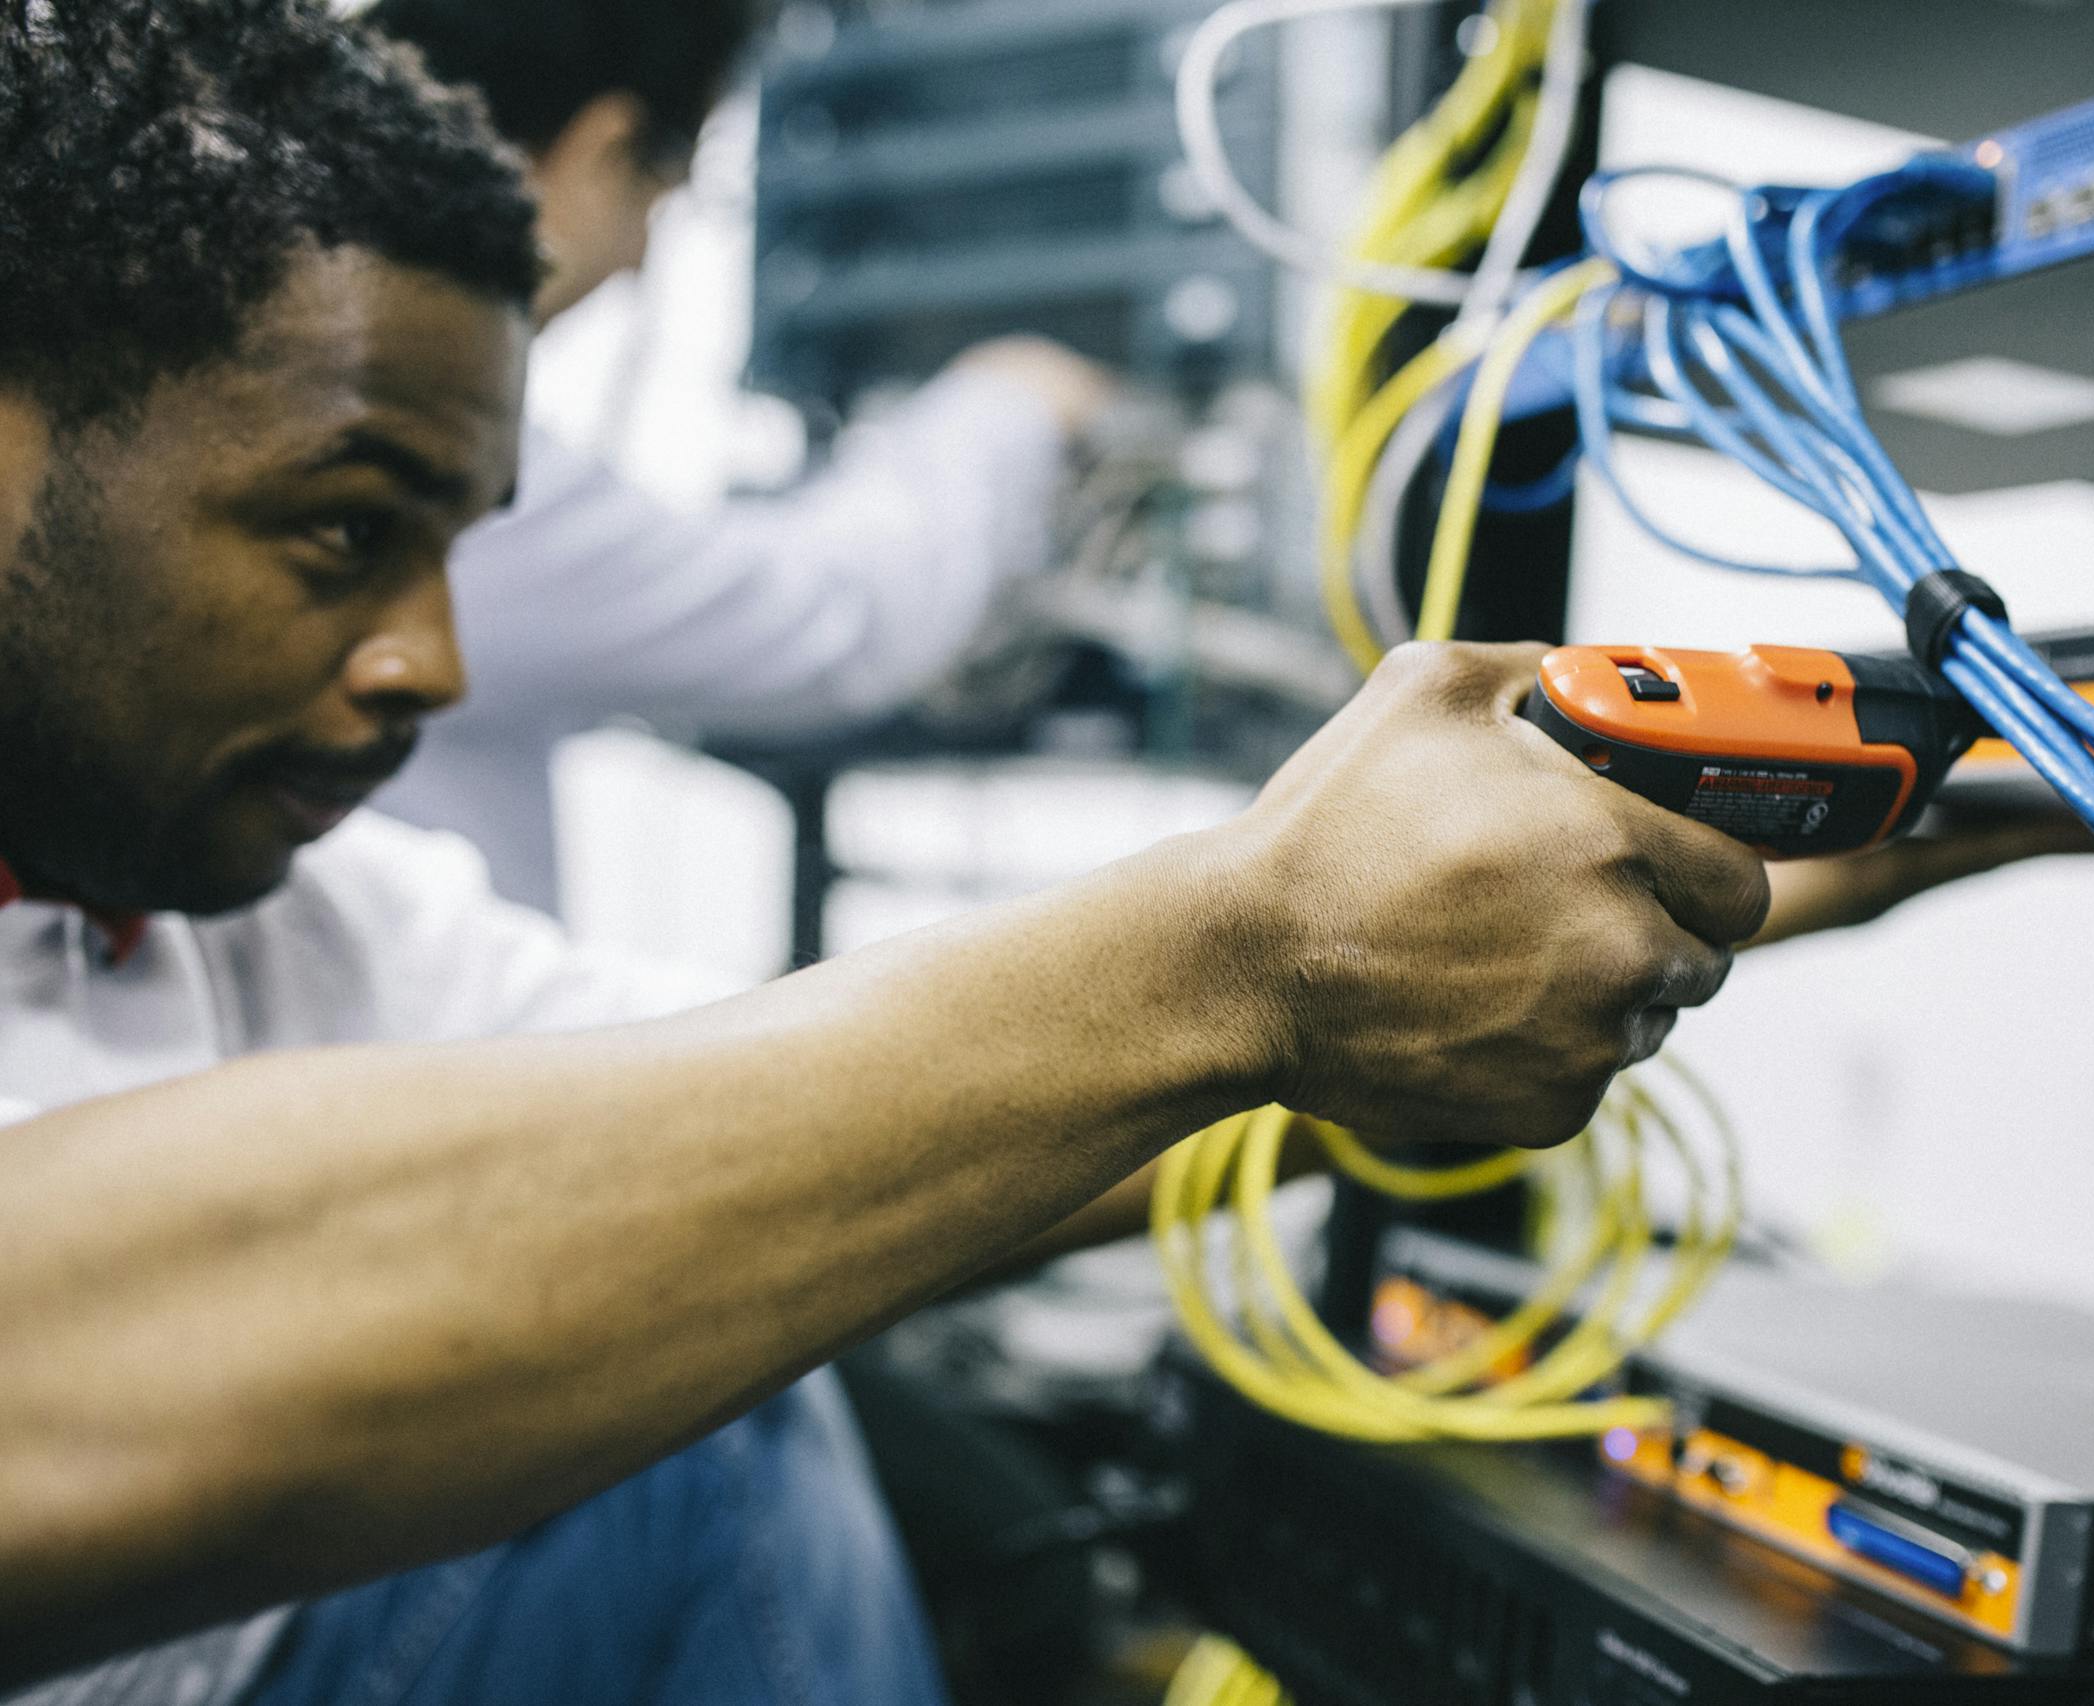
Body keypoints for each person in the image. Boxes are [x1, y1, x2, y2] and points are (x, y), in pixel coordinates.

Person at [0, 5, 1773, 1701]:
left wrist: (1486, 940)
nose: (433, 664)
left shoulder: (270, 907)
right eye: (340, 529)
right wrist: (1253, 951)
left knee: (699, 1348)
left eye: (453, 551)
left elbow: (792, 1099)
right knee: (691, 1415)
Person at [359, 0, 1119, 912]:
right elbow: (832, 619)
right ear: (607, 149)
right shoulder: (443, 464)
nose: (640, 260)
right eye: (658, 197)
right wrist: (1013, 398)